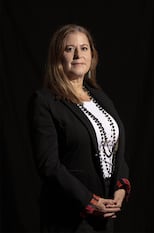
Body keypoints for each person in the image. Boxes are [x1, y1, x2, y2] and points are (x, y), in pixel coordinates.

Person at [28, 24, 131, 233]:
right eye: (69, 49)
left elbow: (115, 148)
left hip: (106, 215)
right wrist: (91, 201)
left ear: (92, 55)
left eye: (84, 48)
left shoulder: (100, 97)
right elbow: (49, 166)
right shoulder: (45, 101)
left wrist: (120, 188)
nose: (78, 55)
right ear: (57, 56)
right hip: (70, 218)